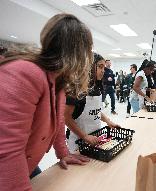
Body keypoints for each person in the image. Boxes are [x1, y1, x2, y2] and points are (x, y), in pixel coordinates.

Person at [0, 13, 93, 190]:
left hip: (26, 163)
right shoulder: (26, 73)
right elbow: (6, 151)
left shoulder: (56, 78)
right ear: (80, 52)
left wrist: (63, 153)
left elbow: (57, 121)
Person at [65, 53, 120, 153]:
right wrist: (84, 136)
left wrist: (108, 121)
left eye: (104, 67)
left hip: (94, 138)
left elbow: (96, 110)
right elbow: (66, 117)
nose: (103, 71)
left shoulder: (97, 88)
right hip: (78, 142)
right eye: (100, 67)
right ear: (89, 67)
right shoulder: (77, 89)